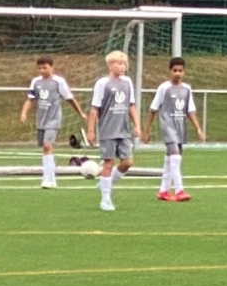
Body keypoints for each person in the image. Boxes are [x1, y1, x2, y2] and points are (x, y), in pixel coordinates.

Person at [143, 57, 206, 203]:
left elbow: (190, 111)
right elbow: (152, 110)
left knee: (170, 159)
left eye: (180, 71)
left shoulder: (187, 89)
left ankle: (163, 191)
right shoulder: (164, 88)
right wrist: (146, 131)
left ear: (184, 72)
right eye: (175, 70)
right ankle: (179, 190)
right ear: (169, 71)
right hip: (168, 127)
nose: (177, 73)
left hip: (180, 127)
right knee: (176, 157)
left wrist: (198, 129)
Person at [19, 57, 87, 189]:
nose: (42, 70)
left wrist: (80, 113)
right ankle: (52, 178)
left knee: (47, 146)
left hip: (53, 119)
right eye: (39, 68)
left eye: (44, 67)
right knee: (45, 148)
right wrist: (24, 112)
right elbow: (30, 99)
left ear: (51, 67)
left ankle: (47, 179)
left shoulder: (58, 81)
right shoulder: (35, 82)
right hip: (41, 120)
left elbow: (70, 98)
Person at [86, 50, 139, 213]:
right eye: (119, 63)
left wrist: (137, 125)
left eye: (124, 64)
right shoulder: (102, 84)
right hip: (108, 130)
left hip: (124, 129)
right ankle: (105, 199)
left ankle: (105, 184)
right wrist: (90, 130)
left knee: (127, 162)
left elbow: (131, 105)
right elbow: (95, 108)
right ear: (110, 65)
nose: (122, 66)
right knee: (108, 163)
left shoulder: (127, 82)